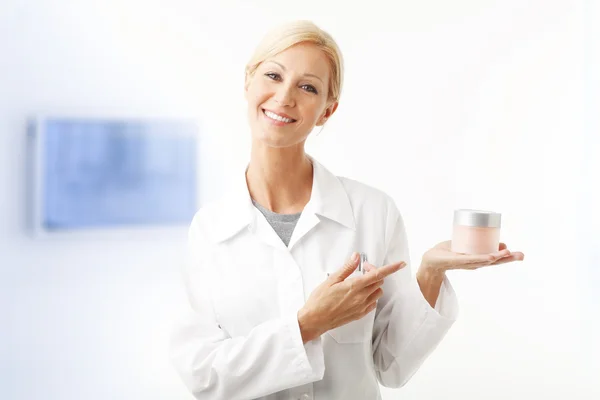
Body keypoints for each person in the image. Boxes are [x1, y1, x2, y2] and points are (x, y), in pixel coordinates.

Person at [168, 20, 525, 400]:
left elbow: (391, 364)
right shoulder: (209, 230)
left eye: (308, 87)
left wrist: (430, 273)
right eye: (273, 75)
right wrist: (308, 324)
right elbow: (205, 377)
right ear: (248, 82)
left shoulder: (373, 211)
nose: (285, 96)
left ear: (327, 110)